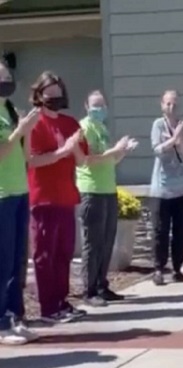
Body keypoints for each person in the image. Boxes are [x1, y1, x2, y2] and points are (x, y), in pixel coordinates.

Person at [25, 71, 88, 324]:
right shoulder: (36, 123)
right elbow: (33, 160)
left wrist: (76, 148)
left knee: (64, 253)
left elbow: (82, 160)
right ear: (38, 96)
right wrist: (63, 151)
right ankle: (48, 307)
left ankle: (62, 301)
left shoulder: (71, 123)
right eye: (48, 95)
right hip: (42, 198)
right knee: (44, 254)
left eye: (57, 95)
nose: (53, 99)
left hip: (66, 197)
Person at [76, 90, 138, 306]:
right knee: (92, 244)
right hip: (91, 191)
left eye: (102, 106)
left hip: (108, 190)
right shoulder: (84, 128)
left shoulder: (102, 128)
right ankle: (89, 290)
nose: (99, 110)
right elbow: (89, 159)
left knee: (106, 241)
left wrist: (122, 151)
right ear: (86, 106)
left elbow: (109, 160)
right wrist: (115, 150)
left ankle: (102, 285)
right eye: (95, 106)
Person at [0, 62, 40, 344]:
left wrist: (25, 130)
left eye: (7, 76)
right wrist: (19, 131)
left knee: (17, 260)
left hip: (20, 191)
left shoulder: (10, 110)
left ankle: (15, 315)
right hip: (2, 194)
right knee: (2, 261)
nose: (6, 81)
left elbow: (22, 155)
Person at [149, 90, 183, 286]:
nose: (171, 107)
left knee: (181, 230)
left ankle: (177, 268)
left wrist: (181, 138)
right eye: (168, 104)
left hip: (182, 187)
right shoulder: (158, 125)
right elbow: (157, 150)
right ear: (162, 105)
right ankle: (158, 269)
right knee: (160, 230)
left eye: (174, 104)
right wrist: (173, 139)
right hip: (162, 188)